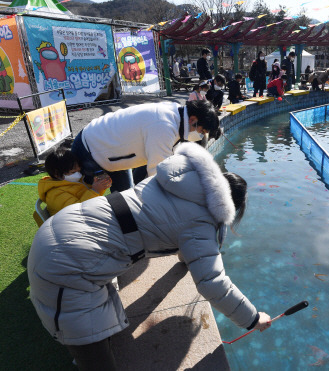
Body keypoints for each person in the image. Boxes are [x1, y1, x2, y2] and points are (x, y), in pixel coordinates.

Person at [27, 142, 273, 371]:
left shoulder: (176, 179)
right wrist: (253, 319)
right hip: (65, 261)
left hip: (63, 225)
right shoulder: (201, 223)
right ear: (232, 207)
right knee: (94, 351)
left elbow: (168, 222)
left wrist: (189, 257)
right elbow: (214, 284)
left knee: (103, 316)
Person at [71, 100, 221, 193]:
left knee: (125, 198)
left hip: (110, 149)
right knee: (85, 200)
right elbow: (158, 173)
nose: (200, 136)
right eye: (201, 131)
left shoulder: (175, 114)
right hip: (91, 150)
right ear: (193, 119)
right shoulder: (164, 126)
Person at [38, 147, 111, 217]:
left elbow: (91, 198)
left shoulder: (73, 181)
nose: (78, 174)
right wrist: (95, 190)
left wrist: (101, 186)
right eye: (73, 172)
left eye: (79, 171)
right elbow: (77, 211)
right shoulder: (55, 194)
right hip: (73, 225)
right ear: (56, 174)